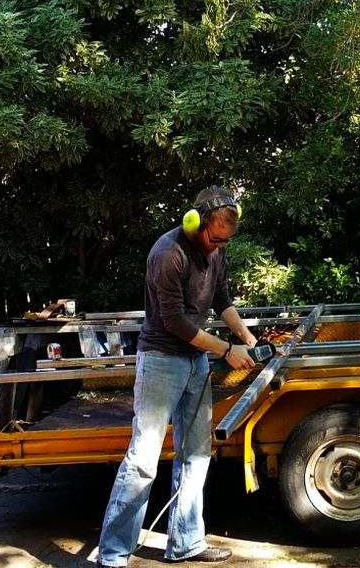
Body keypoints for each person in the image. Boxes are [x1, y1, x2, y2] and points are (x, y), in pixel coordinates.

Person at [97, 185, 257, 567]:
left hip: (195, 362)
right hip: (161, 359)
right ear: (195, 223)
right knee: (143, 459)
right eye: (215, 238)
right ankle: (113, 554)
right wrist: (225, 350)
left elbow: (222, 300)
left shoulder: (216, 252)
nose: (219, 247)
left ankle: (185, 543)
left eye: (225, 241)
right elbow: (175, 323)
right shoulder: (167, 254)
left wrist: (248, 338)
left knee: (196, 454)